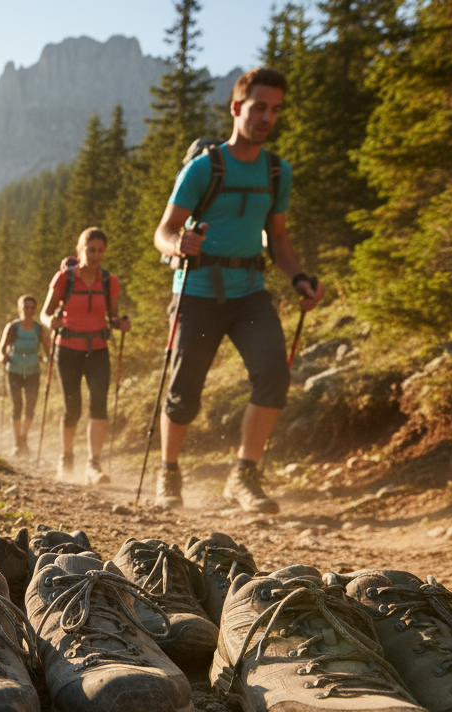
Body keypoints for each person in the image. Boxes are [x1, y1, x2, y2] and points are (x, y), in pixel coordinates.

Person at [151, 67, 324, 512]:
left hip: (249, 291)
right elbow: (164, 231)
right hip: (198, 290)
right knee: (185, 389)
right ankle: (168, 472)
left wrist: (299, 278)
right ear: (236, 108)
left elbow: (279, 238)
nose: (267, 117)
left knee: (273, 376)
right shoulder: (203, 168)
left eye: (276, 109)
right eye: (259, 107)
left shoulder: (276, 171)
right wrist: (179, 243)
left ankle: (243, 475)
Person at [39, 228, 130, 485]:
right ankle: (67, 456)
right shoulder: (64, 278)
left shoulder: (108, 281)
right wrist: (51, 322)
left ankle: (94, 464)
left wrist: (121, 323)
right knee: (73, 407)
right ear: (81, 250)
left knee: (99, 403)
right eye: (91, 250)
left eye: (101, 250)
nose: (96, 255)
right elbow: (44, 314)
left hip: (98, 349)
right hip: (68, 349)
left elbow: (112, 317)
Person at [0, 295, 51, 458]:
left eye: (32, 308)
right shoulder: (12, 327)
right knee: (17, 406)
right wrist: (3, 358)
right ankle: (17, 442)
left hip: (33, 372)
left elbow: (48, 350)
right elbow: (1, 349)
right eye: (26, 308)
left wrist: (51, 361)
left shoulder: (39, 328)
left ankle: (24, 438)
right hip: (14, 371)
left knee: (30, 408)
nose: (29, 311)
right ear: (19, 309)